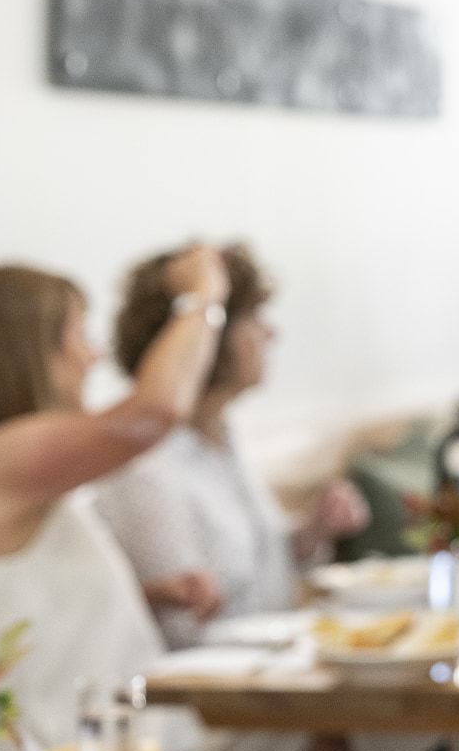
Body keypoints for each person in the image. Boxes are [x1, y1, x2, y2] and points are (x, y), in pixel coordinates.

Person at [0, 249, 230, 749]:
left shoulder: (3, 469)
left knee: (310, 736)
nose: (93, 355)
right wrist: (203, 297)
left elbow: (20, 618)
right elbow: (155, 412)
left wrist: (147, 596)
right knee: (311, 733)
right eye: (80, 336)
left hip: (116, 748)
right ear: (32, 351)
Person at [94, 243, 369, 650]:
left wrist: (313, 531)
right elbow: (186, 629)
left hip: (270, 677)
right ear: (212, 334)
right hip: (215, 699)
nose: (270, 333)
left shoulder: (222, 436)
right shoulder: (145, 466)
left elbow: (257, 571)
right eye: (254, 318)